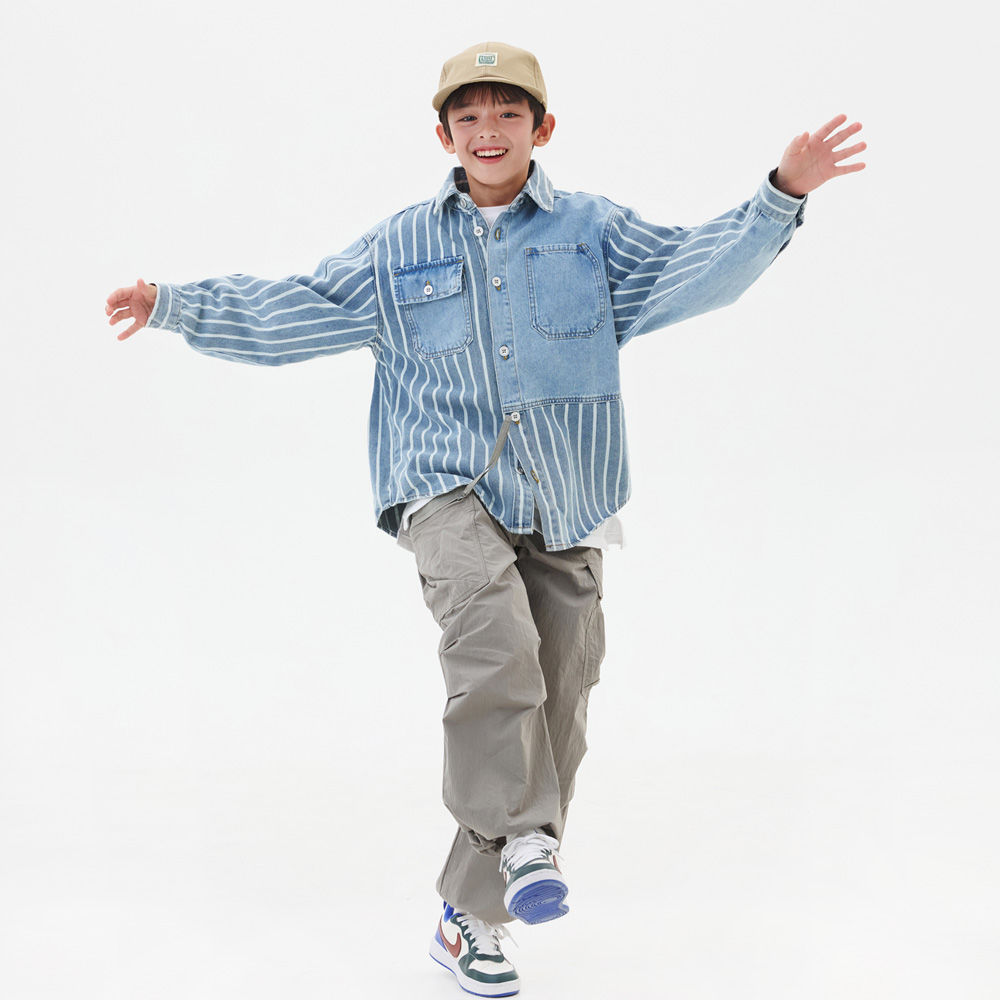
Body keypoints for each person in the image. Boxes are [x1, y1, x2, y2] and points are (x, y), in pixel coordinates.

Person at [106, 40, 865, 998]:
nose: (488, 130)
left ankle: (472, 916)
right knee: (494, 644)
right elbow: (297, 307)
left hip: (567, 493)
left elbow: (691, 269)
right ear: (444, 136)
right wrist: (175, 306)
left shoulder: (593, 232)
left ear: (542, 129)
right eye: (468, 116)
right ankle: (525, 840)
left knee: (557, 702)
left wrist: (780, 195)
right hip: (442, 486)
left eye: (508, 113)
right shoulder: (397, 246)